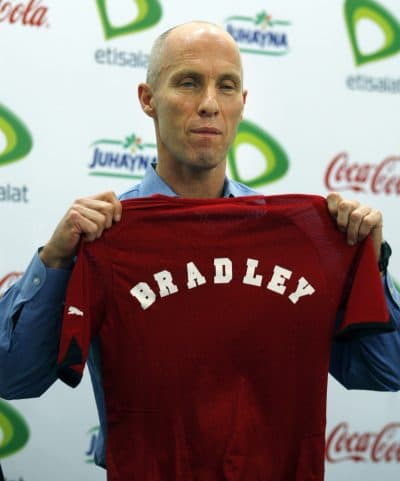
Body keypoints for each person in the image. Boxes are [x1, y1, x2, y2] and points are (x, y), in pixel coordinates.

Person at [0, 20, 399, 479]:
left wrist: (371, 263)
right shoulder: (102, 236)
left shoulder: (303, 239)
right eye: (188, 83)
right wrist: (54, 260)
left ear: (242, 104)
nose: (209, 104)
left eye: (226, 87)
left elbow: (387, 372)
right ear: (148, 99)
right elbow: (13, 377)